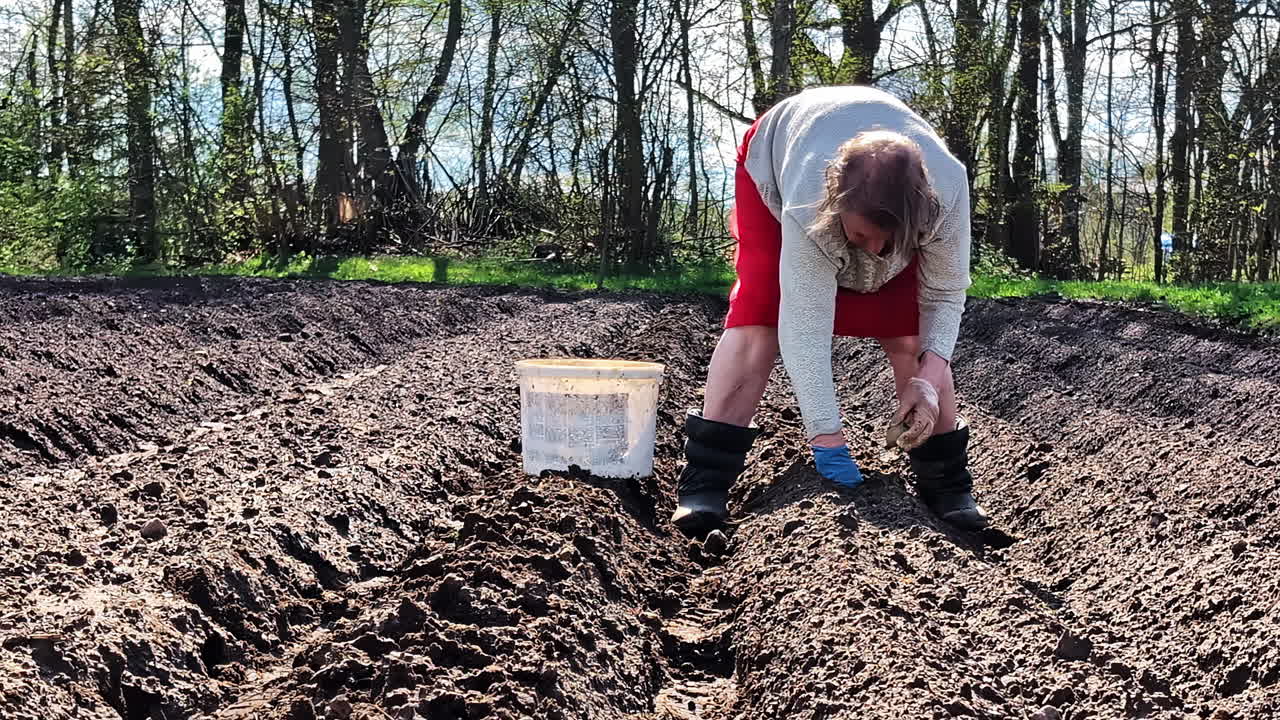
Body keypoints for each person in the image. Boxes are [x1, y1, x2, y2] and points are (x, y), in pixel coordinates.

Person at [671, 85, 989, 535]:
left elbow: (944, 295)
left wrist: (930, 380)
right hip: (780, 156)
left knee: (910, 333)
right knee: (760, 316)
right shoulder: (806, 198)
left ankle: (948, 486)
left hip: (896, 201)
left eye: (888, 241)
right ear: (836, 207)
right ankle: (705, 484)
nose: (877, 252)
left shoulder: (947, 193)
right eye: (862, 237)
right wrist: (827, 437)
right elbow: (803, 327)